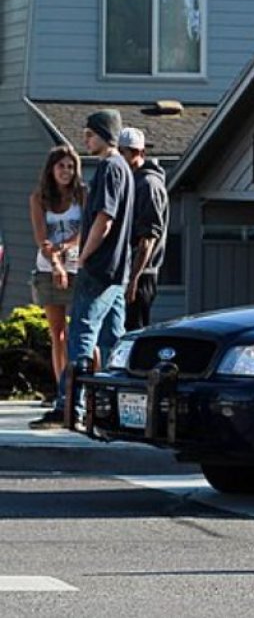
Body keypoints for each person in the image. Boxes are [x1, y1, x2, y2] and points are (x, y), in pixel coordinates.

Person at [30, 109, 135, 429]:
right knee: (114, 339)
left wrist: (86, 256)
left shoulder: (107, 168)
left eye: (90, 134)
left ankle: (69, 406)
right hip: (119, 269)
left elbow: (104, 220)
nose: (85, 139)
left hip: (100, 267)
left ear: (105, 135)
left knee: (80, 336)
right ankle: (113, 406)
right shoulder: (125, 169)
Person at [27, 145, 86, 390]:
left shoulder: (82, 195)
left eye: (70, 166)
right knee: (58, 332)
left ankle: (84, 387)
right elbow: (41, 238)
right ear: (51, 169)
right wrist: (55, 263)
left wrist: (65, 249)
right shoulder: (39, 198)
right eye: (61, 166)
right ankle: (63, 389)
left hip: (78, 266)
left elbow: (86, 231)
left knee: (82, 329)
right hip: (48, 268)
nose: (66, 171)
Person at [118, 128, 169, 330]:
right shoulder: (132, 180)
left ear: (140, 153)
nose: (121, 157)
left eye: (125, 152)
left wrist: (133, 280)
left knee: (134, 332)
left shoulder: (148, 184)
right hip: (128, 271)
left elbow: (148, 237)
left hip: (142, 273)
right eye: (119, 152)